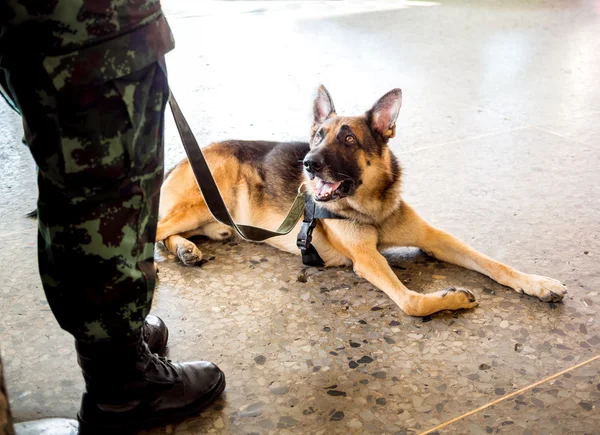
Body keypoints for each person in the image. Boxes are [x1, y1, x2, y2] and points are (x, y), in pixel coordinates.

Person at [0, 1, 225, 433]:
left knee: (91, 177)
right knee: (105, 188)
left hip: (60, 28)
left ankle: (116, 344)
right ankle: (122, 384)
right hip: (81, 26)